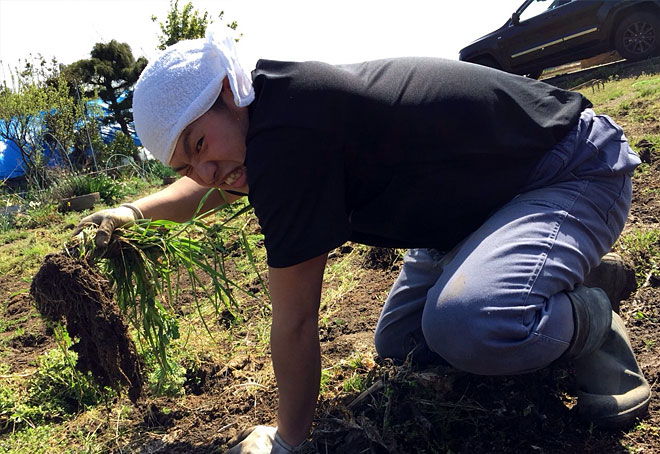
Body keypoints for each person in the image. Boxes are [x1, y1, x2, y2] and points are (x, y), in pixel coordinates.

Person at [77, 26, 650, 453]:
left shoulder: (289, 135)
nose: (203, 172)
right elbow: (219, 186)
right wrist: (130, 212)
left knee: (470, 326)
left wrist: (288, 440)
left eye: (199, 145)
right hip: (471, 214)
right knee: (404, 343)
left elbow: (297, 320)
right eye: (185, 164)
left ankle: (588, 315)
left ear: (228, 91)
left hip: (569, 169)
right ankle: (542, 279)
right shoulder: (267, 116)